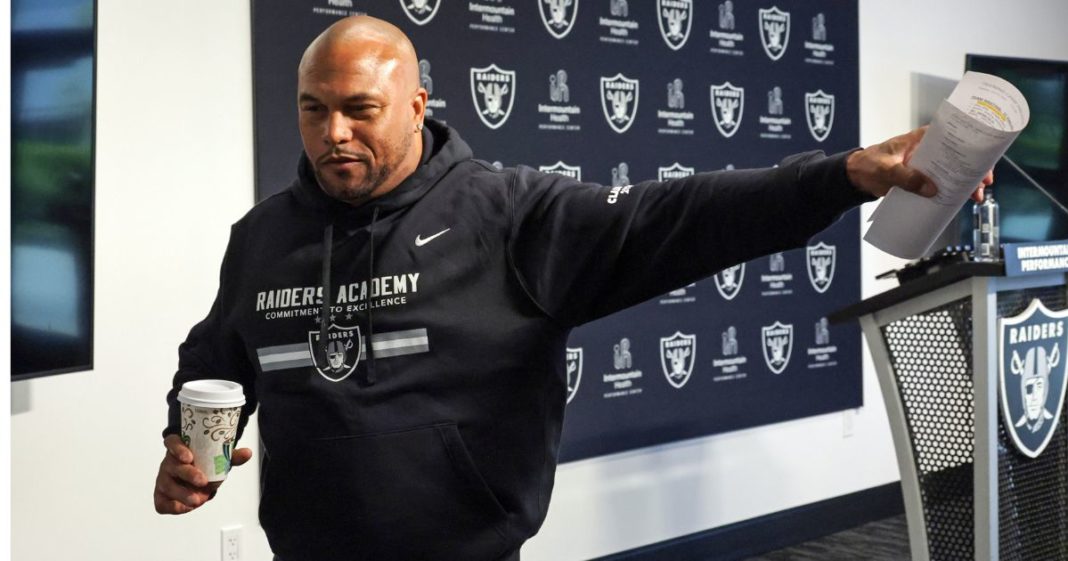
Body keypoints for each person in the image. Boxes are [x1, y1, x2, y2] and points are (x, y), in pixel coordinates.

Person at [153, 15, 991, 561]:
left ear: (416, 105)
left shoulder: (510, 215)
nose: (332, 133)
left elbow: (681, 214)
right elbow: (218, 356)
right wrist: (184, 449)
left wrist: (841, 175)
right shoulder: (263, 235)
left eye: (359, 109)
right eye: (313, 109)